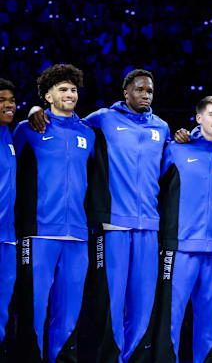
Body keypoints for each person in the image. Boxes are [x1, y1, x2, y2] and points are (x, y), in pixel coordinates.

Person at [29, 69, 171, 362]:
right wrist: (34, 110)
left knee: (142, 304)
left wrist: (192, 134)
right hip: (113, 225)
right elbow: (64, 121)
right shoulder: (102, 120)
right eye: (140, 90)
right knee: (111, 303)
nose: (146, 95)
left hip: (149, 226)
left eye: (150, 91)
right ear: (126, 92)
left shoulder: (163, 127)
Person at [14, 64, 95, 363]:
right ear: (48, 96)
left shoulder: (88, 132)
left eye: (73, 89)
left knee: (70, 313)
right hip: (38, 234)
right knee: (33, 311)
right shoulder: (28, 129)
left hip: (77, 236)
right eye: (62, 89)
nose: (70, 94)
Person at [154, 96, 212, 362]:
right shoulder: (176, 150)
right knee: (171, 321)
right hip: (179, 248)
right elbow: (153, 188)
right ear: (198, 119)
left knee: (211, 325)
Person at [0, 79, 16, 359]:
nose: (9, 104)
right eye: (2, 99)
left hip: (7, 238)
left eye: (12, 99)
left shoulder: (9, 134)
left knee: (2, 310)